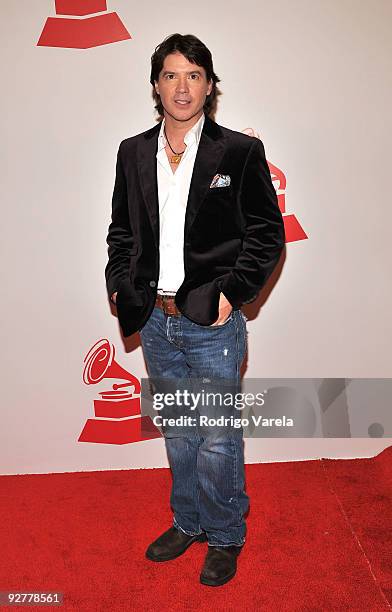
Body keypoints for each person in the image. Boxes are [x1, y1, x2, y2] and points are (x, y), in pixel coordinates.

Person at [105, 33, 285, 586]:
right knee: (180, 430)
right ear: (156, 85)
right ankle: (188, 521)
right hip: (154, 319)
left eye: (194, 75)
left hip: (212, 322)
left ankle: (226, 533)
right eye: (170, 75)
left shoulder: (238, 151)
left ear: (209, 85)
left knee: (217, 435)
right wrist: (119, 284)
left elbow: (265, 234)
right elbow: (121, 231)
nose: (182, 87)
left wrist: (232, 295)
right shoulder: (133, 151)